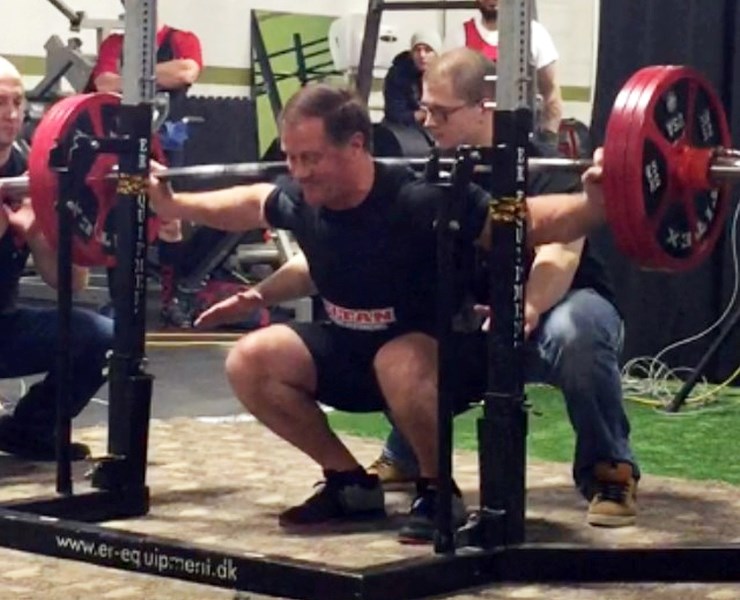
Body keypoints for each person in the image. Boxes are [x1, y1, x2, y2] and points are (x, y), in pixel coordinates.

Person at [145, 81, 608, 543]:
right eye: (291, 157)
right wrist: (175, 204)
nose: (299, 171)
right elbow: (250, 202)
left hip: (443, 363)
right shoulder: (303, 200)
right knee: (250, 359)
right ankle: (349, 485)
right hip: (356, 356)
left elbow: (526, 220)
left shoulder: (417, 201)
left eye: (311, 158)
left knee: (398, 358)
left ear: (356, 146)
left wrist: (598, 204)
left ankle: (436, 488)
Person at [365, 48, 638, 530]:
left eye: (441, 111)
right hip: (483, 310)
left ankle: (608, 468)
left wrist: (525, 308)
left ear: (484, 108)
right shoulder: (440, 170)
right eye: (424, 109)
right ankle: (407, 452)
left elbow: (560, 255)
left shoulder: (549, 166)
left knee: (581, 332)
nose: (427, 121)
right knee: (411, 335)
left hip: (556, 304)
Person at [0, 57, 113, 461]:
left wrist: (37, 234)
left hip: (4, 328)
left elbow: (73, 282)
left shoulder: (33, 170)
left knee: (102, 336)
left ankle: (29, 429)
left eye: (18, 102)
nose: (12, 114)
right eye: (0, 103)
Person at [90, 4, 221, 328]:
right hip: (125, 143)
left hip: (166, 144)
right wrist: (160, 77)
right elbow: (104, 84)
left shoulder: (182, 39)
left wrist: (130, 80)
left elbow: (186, 72)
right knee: (119, 217)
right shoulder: (114, 44)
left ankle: (170, 300)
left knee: (169, 220)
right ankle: (119, 303)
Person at [445, 0, 563, 142]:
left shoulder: (535, 34)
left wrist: (549, 137)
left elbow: (551, 92)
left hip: (520, 136)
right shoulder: (458, 37)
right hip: (472, 140)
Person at [383, 29, 441, 127]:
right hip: (404, 130)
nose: (422, 55)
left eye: (427, 50)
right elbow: (395, 113)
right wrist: (422, 115)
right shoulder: (398, 74)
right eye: (417, 50)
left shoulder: (447, 76)